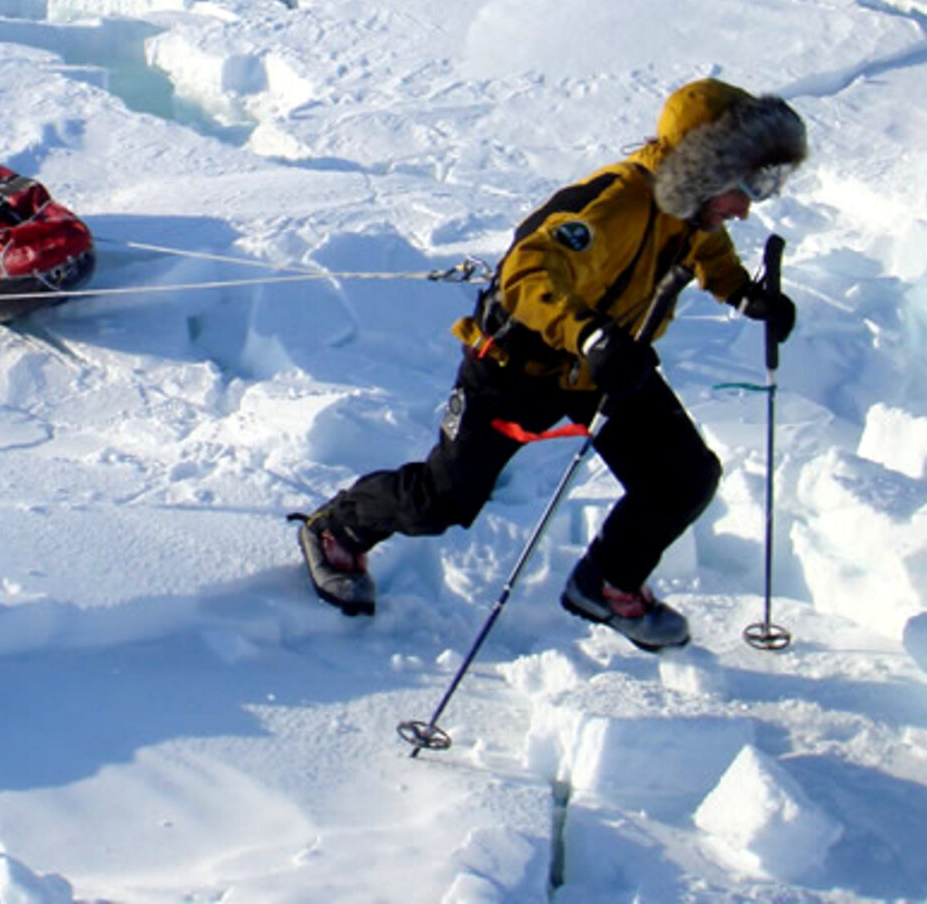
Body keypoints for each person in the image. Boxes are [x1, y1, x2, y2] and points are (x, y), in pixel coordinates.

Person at [298, 79, 808, 650]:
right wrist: (590, 337)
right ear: (701, 169)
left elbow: (702, 246)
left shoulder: (689, 211)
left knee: (682, 477)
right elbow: (529, 271)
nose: (746, 208)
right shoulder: (615, 202)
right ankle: (338, 527)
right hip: (520, 368)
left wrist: (742, 292)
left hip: (604, 367)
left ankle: (606, 583)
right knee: (444, 499)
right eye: (746, 186)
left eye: (762, 186)